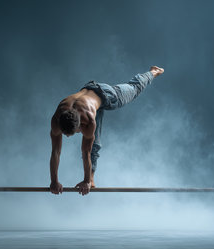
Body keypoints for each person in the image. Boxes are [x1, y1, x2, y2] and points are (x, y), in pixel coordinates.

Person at [49, 66, 164, 195]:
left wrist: (86, 181)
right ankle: (91, 179)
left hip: (106, 95)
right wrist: (54, 181)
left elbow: (86, 152)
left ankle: (153, 72)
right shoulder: (56, 120)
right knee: (91, 141)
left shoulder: (89, 120)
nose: (69, 137)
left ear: (81, 124)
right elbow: (56, 152)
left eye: (76, 132)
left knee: (134, 89)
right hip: (88, 93)